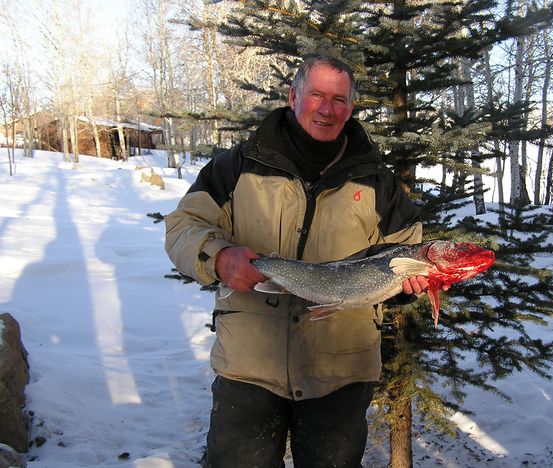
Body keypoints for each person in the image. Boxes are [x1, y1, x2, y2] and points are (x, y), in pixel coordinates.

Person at [165, 55, 428, 468]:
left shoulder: (377, 180)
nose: (328, 109)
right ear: (293, 97)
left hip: (341, 373)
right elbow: (184, 225)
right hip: (249, 368)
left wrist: (411, 281)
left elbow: (408, 246)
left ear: (352, 108)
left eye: (340, 100)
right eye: (317, 95)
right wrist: (218, 258)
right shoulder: (238, 166)